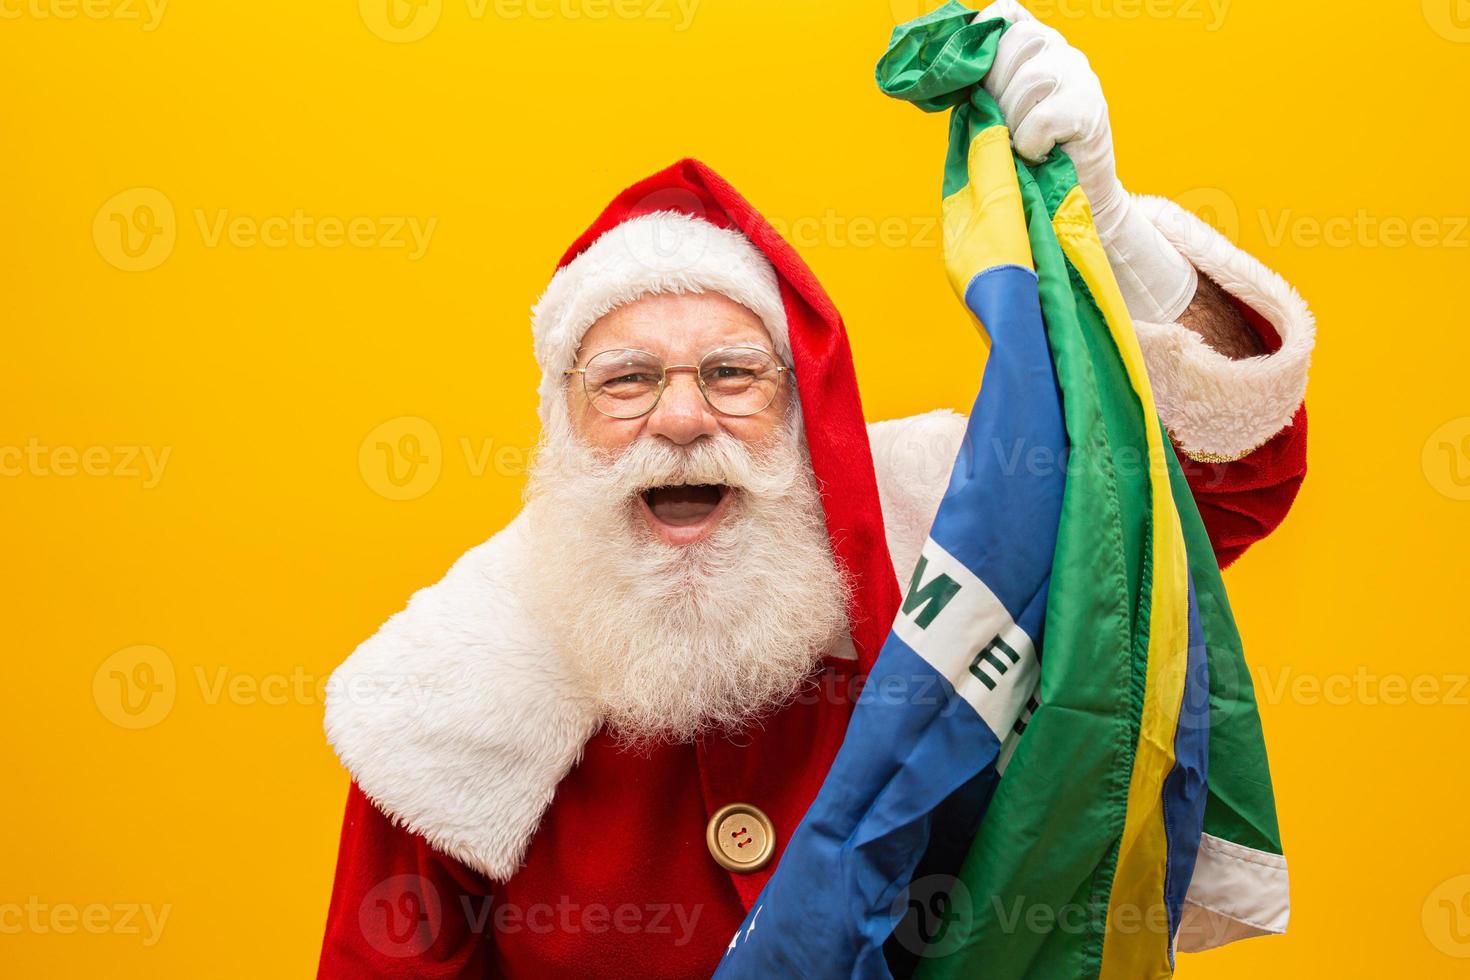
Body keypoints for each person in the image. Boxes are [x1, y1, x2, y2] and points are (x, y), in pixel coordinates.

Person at [317, 6, 1314, 976]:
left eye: (732, 374)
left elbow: (1215, 487)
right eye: (626, 379)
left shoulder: (940, 531)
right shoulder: (445, 694)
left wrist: (1116, 233)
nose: (680, 418)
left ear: (805, 412)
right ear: (562, 423)